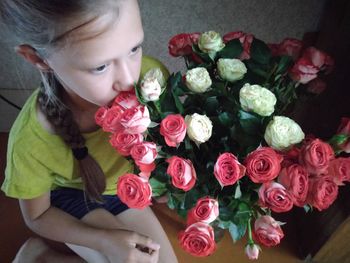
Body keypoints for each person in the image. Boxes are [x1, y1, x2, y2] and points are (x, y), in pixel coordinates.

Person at [0, 0, 178, 262]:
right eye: (100, 67)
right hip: (72, 197)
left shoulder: (150, 78)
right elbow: (37, 216)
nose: (130, 80)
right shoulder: (31, 141)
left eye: (134, 48)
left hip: (123, 191)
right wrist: (104, 241)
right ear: (38, 58)